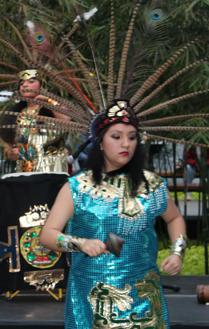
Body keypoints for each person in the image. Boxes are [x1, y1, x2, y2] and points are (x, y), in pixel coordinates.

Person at [39, 100, 186, 328]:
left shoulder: (153, 185)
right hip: (94, 296)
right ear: (99, 143)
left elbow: (174, 218)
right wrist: (80, 243)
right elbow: (47, 235)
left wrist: (178, 252)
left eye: (132, 137)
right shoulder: (78, 187)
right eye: (116, 137)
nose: (125, 143)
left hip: (145, 295)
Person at [1, 69, 72, 173]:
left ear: (42, 85)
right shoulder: (14, 114)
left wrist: (47, 100)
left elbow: (66, 119)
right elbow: (7, 147)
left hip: (52, 168)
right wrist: (10, 153)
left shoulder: (53, 107)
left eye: (31, 82)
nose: (24, 85)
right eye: (22, 83)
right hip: (25, 169)